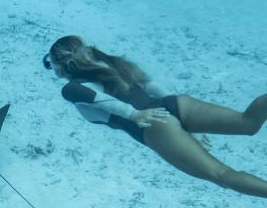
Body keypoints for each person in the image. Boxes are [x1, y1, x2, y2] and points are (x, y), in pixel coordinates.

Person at [43, 35, 267, 198]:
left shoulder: (73, 89)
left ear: (61, 67)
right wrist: (192, 129)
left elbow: (100, 100)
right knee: (247, 122)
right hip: (176, 104)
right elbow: (153, 86)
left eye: (50, 64)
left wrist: (134, 114)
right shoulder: (112, 64)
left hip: (155, 125)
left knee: (222, 175)